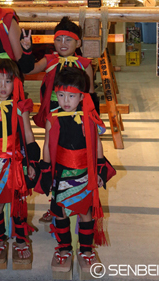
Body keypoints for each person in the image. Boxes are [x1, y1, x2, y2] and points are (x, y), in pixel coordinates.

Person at [38, 66, 115, 275]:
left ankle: (86, 250)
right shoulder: (53, 117)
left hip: (84, 173)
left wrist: (100, 168)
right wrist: (45, 170)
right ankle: (64, 248)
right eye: (61, 95)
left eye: (71, 96)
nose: (66, 101)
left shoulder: (89, 116)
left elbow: (97, 143)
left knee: (86, 211)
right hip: (61, 173)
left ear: (82, 96)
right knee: (60, 209)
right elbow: (46, 145)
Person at [0, 58, 40, 269]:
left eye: (8, 81)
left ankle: (21, 240)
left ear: (16, 83)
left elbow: (28, 136)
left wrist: (33, 162)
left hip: (17, 163)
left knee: (19, 204)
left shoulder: (21, 106)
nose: (3, 87)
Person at [20, 16, 96, 129]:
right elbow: (28, 70)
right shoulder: (49, 60)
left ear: (78, 43)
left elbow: (90, 93)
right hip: (53, 108)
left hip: (77, 110)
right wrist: (27, 51)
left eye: (68, 40)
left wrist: (94, 117)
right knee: (53, 140)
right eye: (58, 39)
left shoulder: (84, 64)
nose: (62, 43)